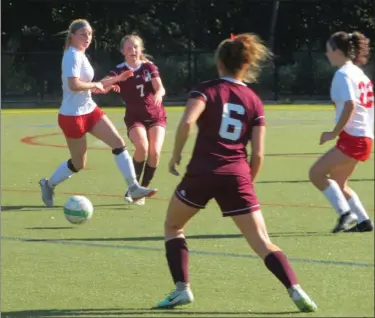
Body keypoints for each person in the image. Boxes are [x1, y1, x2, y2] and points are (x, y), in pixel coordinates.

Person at [155, 33, 317, 312]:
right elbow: (260, 154)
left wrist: (176, 155)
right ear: (245, 64)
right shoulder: (254, 100)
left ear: (219, 62)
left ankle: (182, 289)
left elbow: (187, 122)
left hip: (202, 172)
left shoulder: (206, 89)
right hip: (237, 174)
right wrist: (245, 182)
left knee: (173, 226)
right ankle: (296, 290)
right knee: (262, 241)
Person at [39, 19, 157, 207]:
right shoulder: (72, 55)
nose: (88, 38)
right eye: (83, 34)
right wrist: (96, 84)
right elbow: (74, 84)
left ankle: (133, 187)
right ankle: (48, 184)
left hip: (89, 109)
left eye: (90, 34)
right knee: (79, 164)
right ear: (72, 36)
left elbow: (87, 87)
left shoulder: (81, 54)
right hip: (72, 116)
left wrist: (111, 83)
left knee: (118, 143)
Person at [309, 31, 374, 233]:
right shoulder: (358, 73)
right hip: (364, 136)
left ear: (337, 51)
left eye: (328, 51)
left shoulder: (343, 74)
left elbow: (350, 105)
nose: (327, 55)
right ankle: (364, 221)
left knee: (316, 174)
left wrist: (333, 132)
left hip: (354, 137)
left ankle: (346, 213)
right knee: (338, 182)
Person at [108, 34, 167, 206]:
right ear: (122, 51)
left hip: (156, 116)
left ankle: (140, 191)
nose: (133, 50)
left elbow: (160, 87)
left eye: (135, 47)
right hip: (135, 118)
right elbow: (104, 82)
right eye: (129, 48)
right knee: (142, 147)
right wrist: (116, 80)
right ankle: (133, 187)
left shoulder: (149, 67)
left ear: (141, 49)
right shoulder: (120, 69)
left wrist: (159, 94)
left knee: (154, 152)